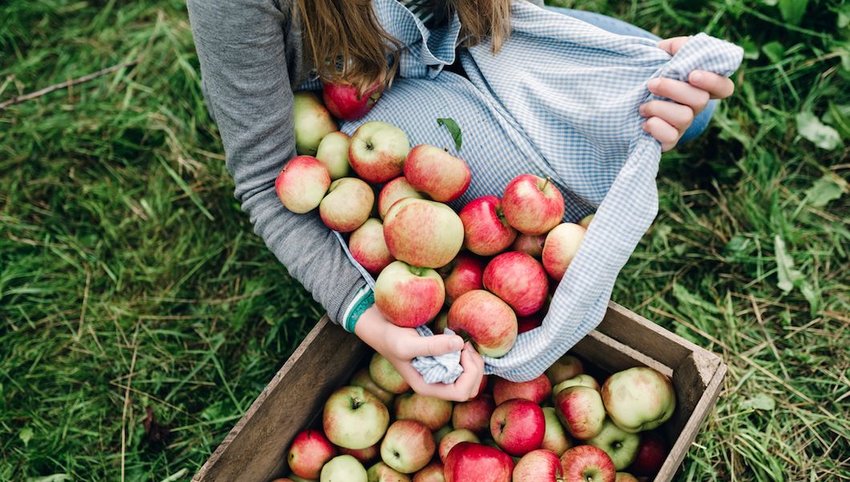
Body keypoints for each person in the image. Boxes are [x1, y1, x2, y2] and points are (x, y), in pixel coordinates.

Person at [186, 0, 734, 402]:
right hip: (354, 99)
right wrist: (376, 323)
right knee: (503, 222)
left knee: (687, 109)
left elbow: (504, 14)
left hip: (469, 35)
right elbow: (264, 182)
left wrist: (613, 70)